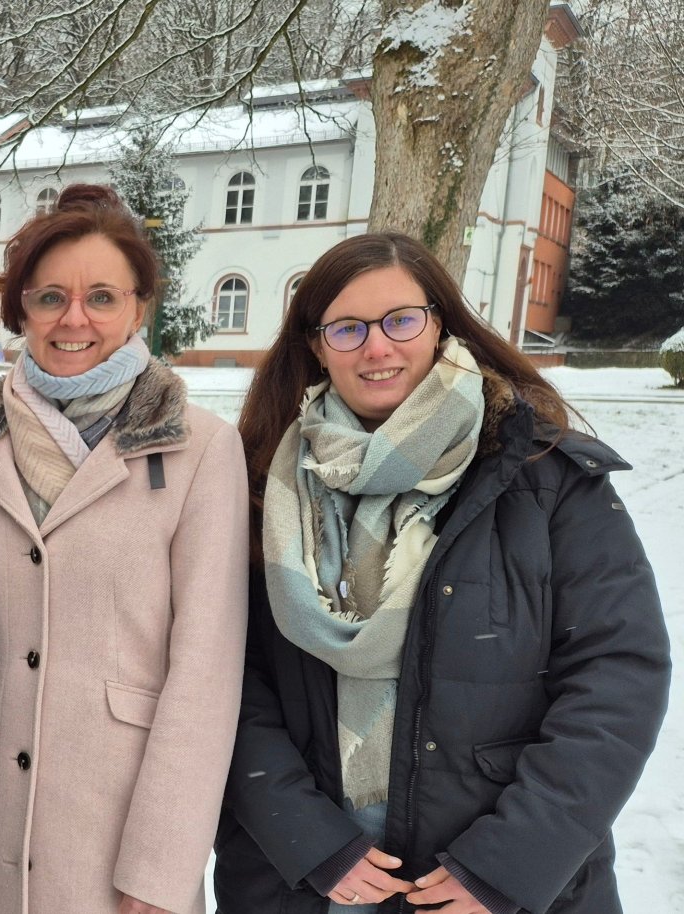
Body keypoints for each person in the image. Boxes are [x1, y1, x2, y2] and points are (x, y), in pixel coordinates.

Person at [215, 232, 670, 913]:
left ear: (440, 324)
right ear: (315, 345)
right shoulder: (255, 487)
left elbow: (616, 678)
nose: (378, 347)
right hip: (306, 884)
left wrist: (507, 864)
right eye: (347, 328)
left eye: (401, 319)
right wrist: (308, 840)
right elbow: (223, 678)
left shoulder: (546, 479)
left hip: (490, 890)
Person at [0, 184, 248, 914]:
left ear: (139, 308)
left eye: (102, 297)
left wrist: (162, 867)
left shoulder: (200, 448)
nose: (75, 319)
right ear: (20, 312)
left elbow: (206, 670)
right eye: (50, 298)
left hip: (114, 829)